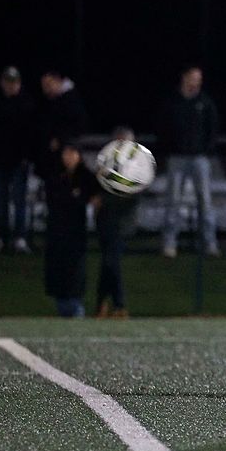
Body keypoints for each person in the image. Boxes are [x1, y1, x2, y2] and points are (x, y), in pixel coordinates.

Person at [157, 65, 221, 258]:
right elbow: (163, 127)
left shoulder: (205, 102)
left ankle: (209, 243)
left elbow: (213, 128)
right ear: (184, 78)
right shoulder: (172, 102)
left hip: (200, 158)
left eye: (199, 79)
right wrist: (169, 147)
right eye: (193, 78)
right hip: (177, 157)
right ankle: (169, 243)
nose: (196, 83)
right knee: (173, 200)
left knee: (205, 201)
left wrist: (206, 148)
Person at [41, 140, 99, 318]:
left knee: (75, 271)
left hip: (76, 231)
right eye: (66, 153)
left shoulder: (85, 177)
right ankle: (64, 308)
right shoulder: (56, 176)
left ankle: (75, 308)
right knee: (59, 270)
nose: (69, 157)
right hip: (57, 230)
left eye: (73, 153)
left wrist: (76, 198)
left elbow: (92, 198)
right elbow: (55, 199)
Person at [0, 66, 35, 253]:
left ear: (19, 83)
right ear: (2, 82)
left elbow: (31, 134)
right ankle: (2, 237)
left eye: (14, 82)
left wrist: (27, 156)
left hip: (19, 161)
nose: (11, 85)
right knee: (1, 201)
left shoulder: (27, 104)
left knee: (19, 200)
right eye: (8, 81)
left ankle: (20, 238)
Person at [95, 126, 140, 319]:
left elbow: (127, 197)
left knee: (111, 261)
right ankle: (104, 305)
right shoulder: (106, 164)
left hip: (122, 224)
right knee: (108, 262)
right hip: (105, 222)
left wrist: (103, 199)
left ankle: (117, 304)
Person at [38, 70, 88, 161]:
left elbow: (77, 124)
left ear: (57, 81)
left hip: (71, 146)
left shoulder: (71, 99)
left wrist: (59, 139)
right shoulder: (51, 100)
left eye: (48, 85)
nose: (46, 89)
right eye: (44, 86)